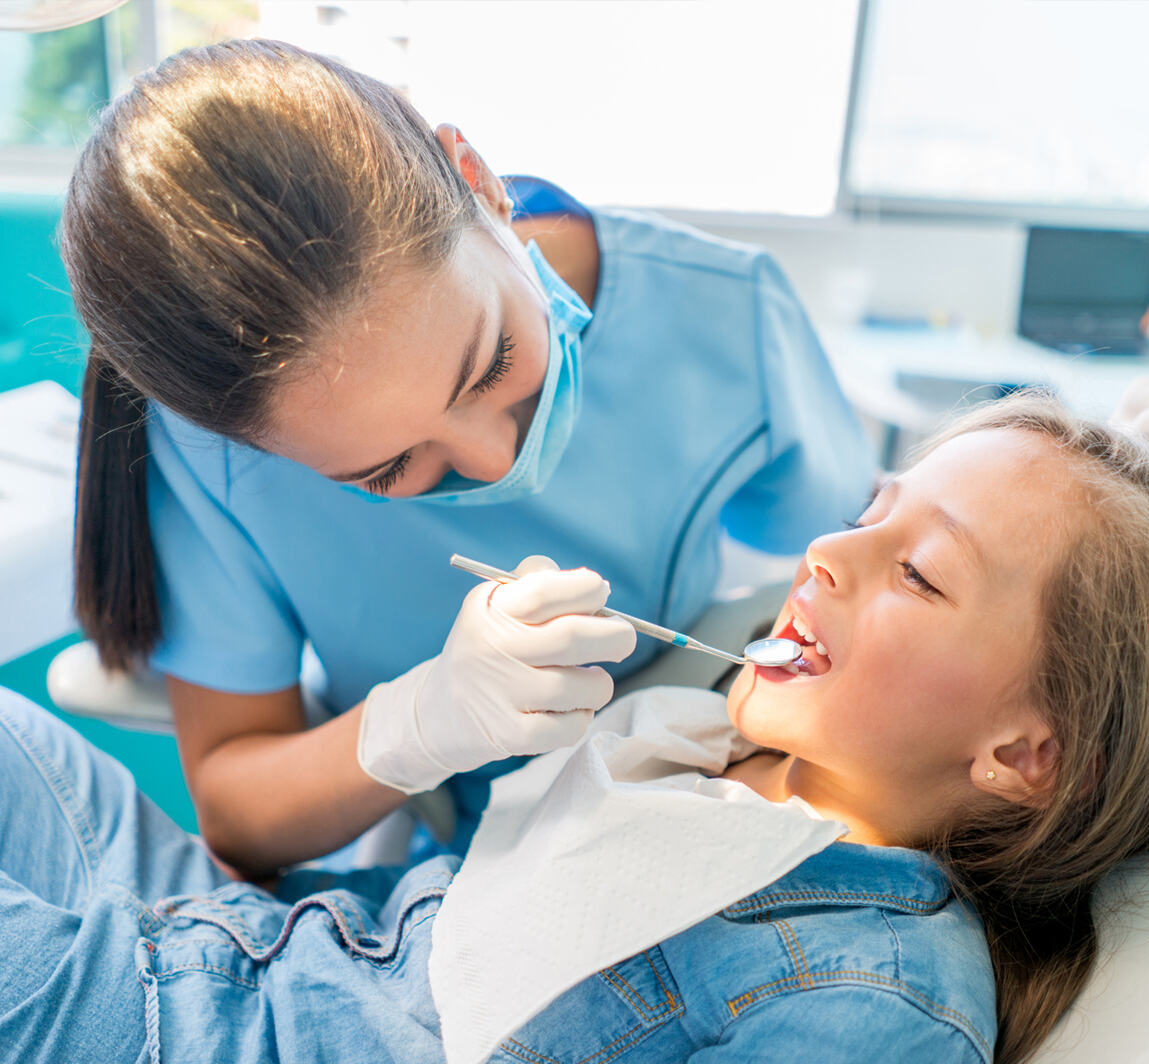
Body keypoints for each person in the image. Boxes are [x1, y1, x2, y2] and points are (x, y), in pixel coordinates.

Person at [5, 394, 1149, 1063]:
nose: (826, 552)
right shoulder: (702, 759)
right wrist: (427, 716)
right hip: (235, 940)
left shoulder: (881, 1001)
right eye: (871, 509)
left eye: (919, 572)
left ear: (1025, 754)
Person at [60, 39, 876, 874]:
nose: (494, 462)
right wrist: (419, 725)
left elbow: (859, 580)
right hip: (466, 867)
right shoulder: (208, 458)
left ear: (476, 178)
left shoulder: (725, 312)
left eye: (492, 365)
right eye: (384, 471)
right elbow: (237, 809)